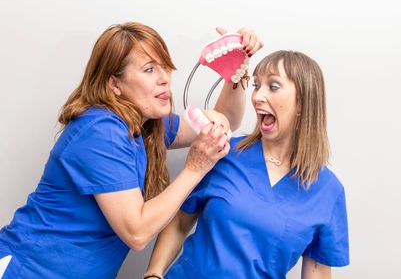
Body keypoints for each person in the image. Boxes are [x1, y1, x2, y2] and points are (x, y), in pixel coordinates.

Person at [0, 22, 263, 279]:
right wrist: (195, 167)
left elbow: (225, 117)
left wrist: (237, 68)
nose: (164, 78)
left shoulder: (146, 126)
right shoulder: (101, 130)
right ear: (114, 84)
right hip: (29, 269)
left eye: (164, 67)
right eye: (149, 69)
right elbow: (137, 233)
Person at [143, 50, 349, 279]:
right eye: (256, 85)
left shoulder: (328, 192)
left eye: (273, 86)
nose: (257, 96)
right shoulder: (223, 152)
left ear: (302, 101)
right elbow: (180, 222)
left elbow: (317, 273)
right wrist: (154, 273)